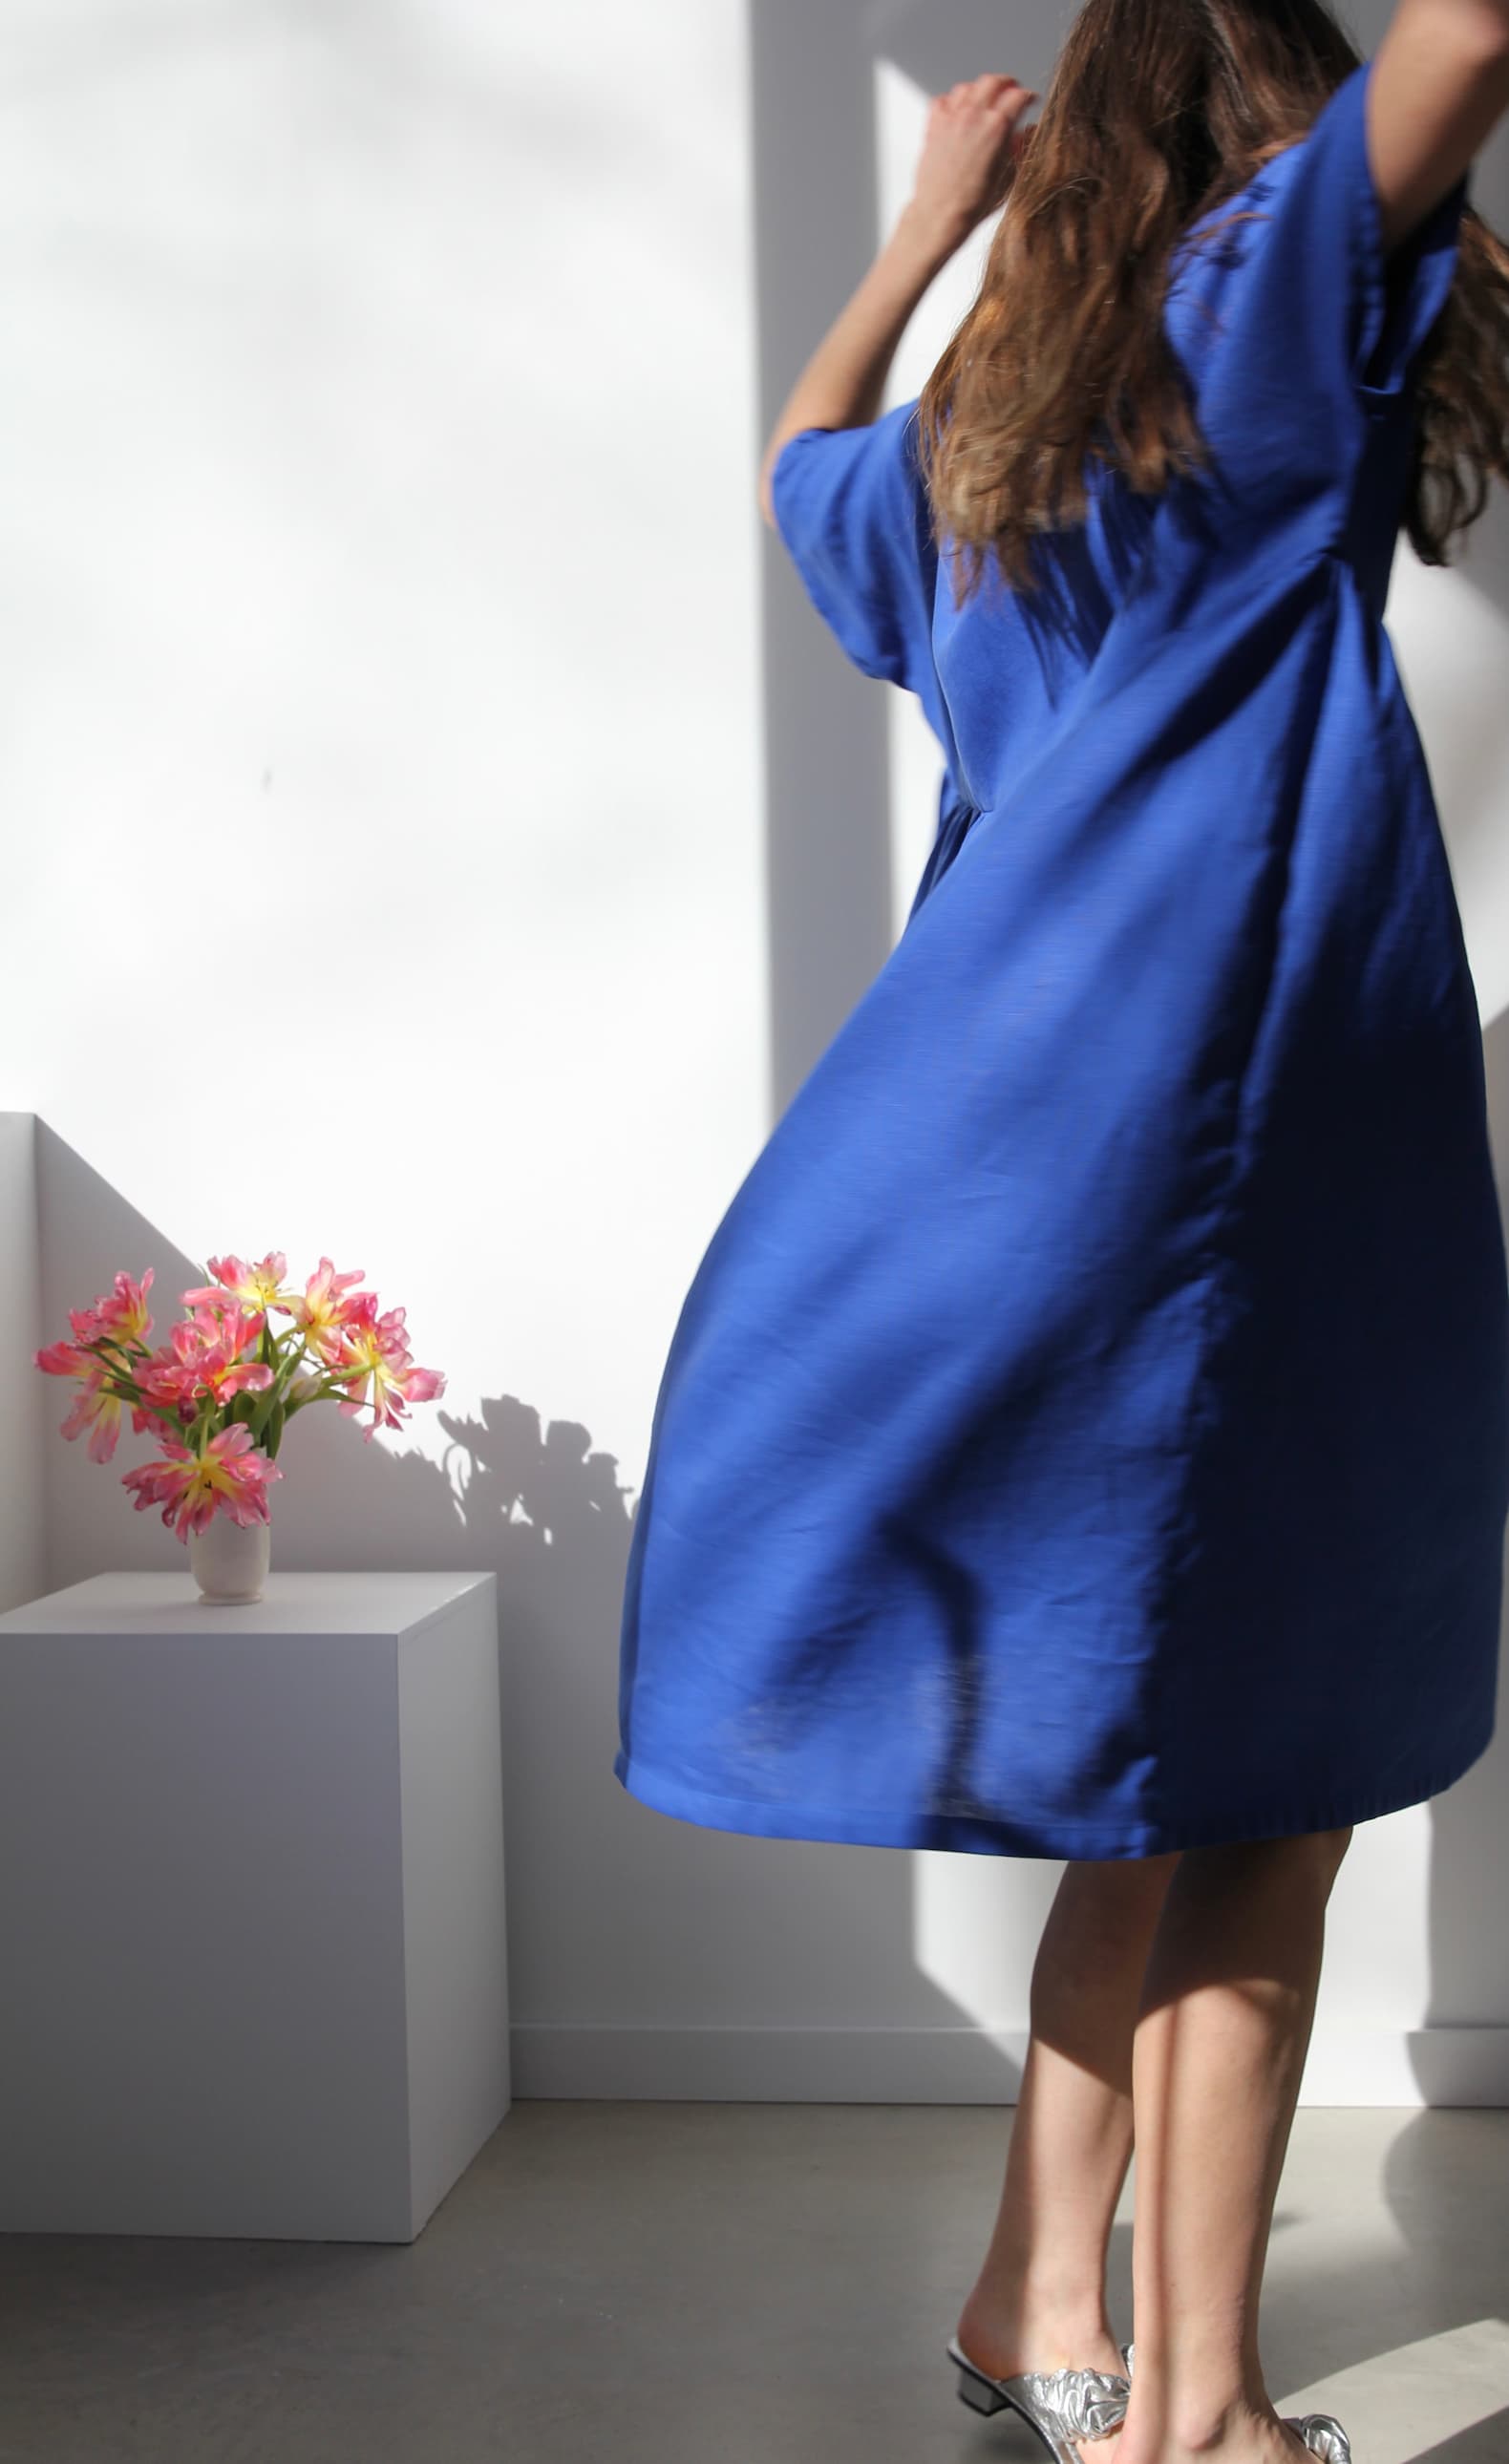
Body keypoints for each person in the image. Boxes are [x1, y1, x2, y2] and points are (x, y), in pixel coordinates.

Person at [616, 3, 1509, 2458]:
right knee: (1278, 1782)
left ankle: (1038, 2302)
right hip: (1224, 1161)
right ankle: (1197, 2421)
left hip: (963, 1157)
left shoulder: (966, 462)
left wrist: (918, 237)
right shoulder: (1255, 308)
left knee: (1153, 1757)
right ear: (1270, 136)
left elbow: (798, 459)